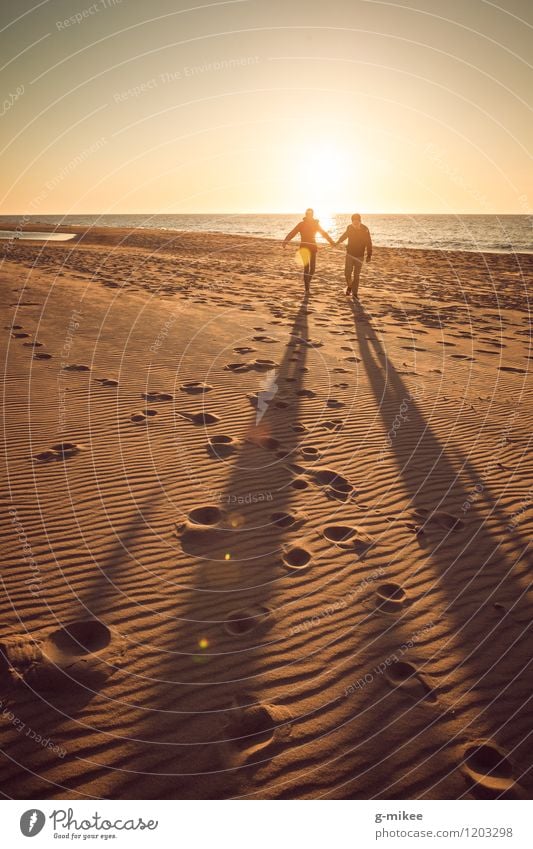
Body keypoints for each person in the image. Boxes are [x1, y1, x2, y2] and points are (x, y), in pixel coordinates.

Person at [283, 208, 335, 293]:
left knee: (313, 269)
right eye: (308, 214)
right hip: (303, 248)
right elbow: (293, 232)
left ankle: (307, 282)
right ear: (306, 215)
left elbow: (323, 233)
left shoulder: (315, 224)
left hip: (313, 247)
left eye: (310, 214)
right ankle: (307, 289)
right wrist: (286, 241)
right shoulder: (301, 224)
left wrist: (331, 242)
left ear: (312, 215)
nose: (309, 216)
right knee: (306, 268)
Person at [335, 213, 372, 299]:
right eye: (353, 222)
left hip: (360, 255)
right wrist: (337, 242)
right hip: (350, 254)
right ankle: (350, 286)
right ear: (352, 222)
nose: (355, 224)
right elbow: (345, 235)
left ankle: (355, 293)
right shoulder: (349, 227)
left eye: (357, 222)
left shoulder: (365, 229)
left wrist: (369, 255)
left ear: (360, 221)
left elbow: (369, 242)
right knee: (347, 273)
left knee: (356, 275)